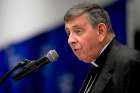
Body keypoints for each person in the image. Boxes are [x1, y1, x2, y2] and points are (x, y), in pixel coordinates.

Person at [64, 2, 140, 93]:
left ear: (101, 31)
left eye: (78, 31)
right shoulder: (96, 66)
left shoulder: (131, 63)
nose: (70, 40)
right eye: (68, 33)